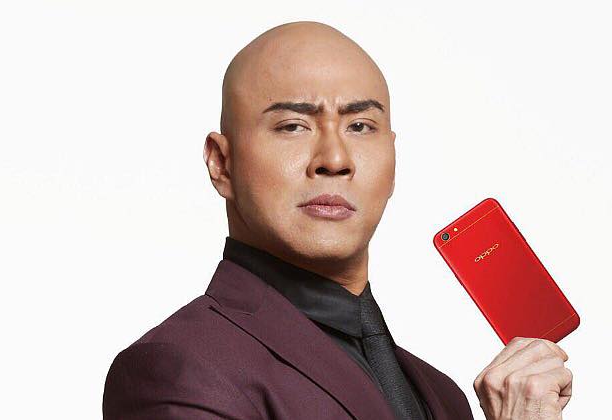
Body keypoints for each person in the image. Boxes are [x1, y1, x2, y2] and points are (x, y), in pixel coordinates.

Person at [102, 20, 572, 420]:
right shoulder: (179, 368)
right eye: (293, 126)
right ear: (222, 164)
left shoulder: (443, 396)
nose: (335, 159)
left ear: (393, 160)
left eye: (360, 126)